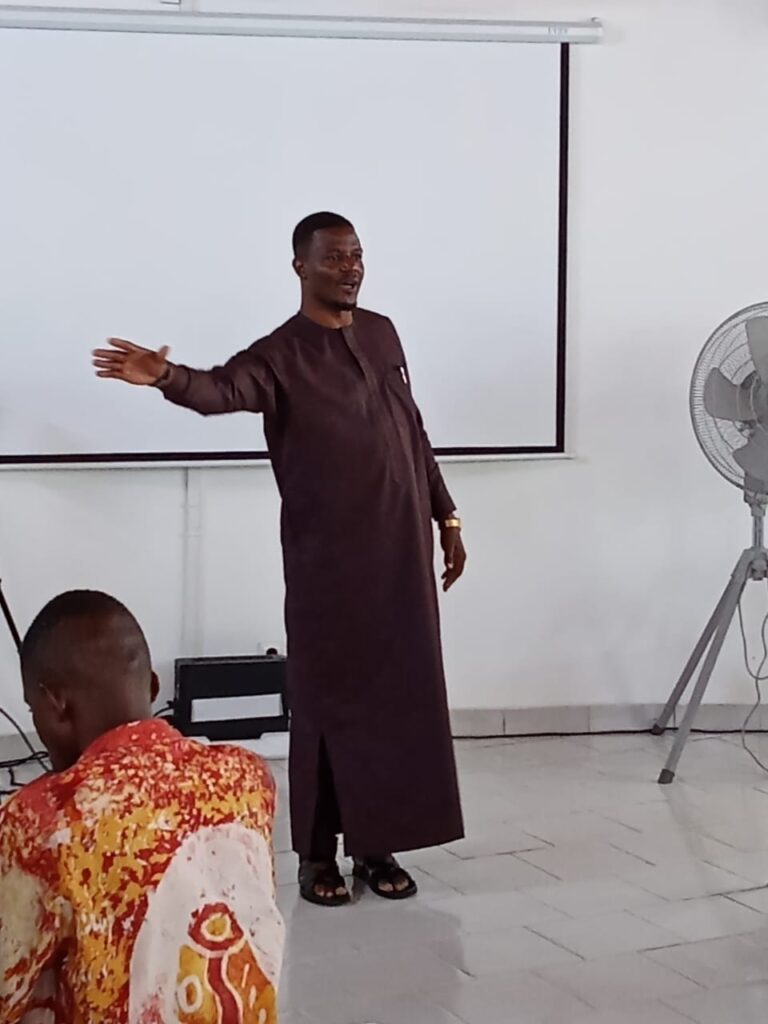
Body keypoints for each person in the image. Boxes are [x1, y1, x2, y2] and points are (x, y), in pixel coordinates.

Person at [92, 212, 466, 907]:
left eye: (356, 255)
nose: (350, 268)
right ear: (301, 267)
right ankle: (316, 856)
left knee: (393, 698)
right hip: (330, 564)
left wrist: (446, 514)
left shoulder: (382, 333)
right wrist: (166, 375)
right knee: (327, 705)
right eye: (334, 258)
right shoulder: (281, 354)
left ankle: (376, 845)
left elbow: (412, 429)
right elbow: (219, 390)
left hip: (401, 554)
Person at [0, 590, 283, 1023]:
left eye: (31, 707)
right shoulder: (249, 777)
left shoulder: (44, 819)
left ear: (55, 703)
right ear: (153, 685)